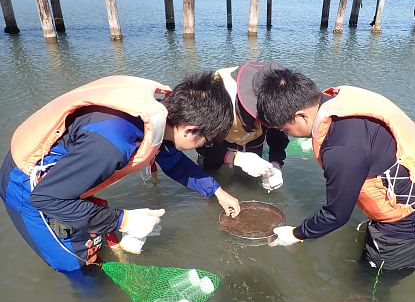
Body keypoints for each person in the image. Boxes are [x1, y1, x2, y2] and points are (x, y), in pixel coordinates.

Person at [0, 73, 240, 273]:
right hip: (26, 183)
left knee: (89, 226)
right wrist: (124, 220)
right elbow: (45, 198)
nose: (203, 147)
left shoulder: (162, 112)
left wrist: (217, 191)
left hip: (71, 167)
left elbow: (174, 162)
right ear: (190, 130)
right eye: (205, 141)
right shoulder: (112, 145)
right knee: (77, 264)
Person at [256, 68, 415, 271]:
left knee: (372, 280)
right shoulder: (342, 98)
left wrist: (296, 234)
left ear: (301, 116)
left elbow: (336, 216)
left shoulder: (341, 149)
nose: (288, 135)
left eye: (284, 129)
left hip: (414, 222)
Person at [196, 62, 289, 191]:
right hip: (222, 134)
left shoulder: (277, 99)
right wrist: (235, 157)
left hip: (254, 136)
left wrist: (276, 164)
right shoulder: (218, 98)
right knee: (210, 167)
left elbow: (278, 139)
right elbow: (201, 142)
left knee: (248, 175)